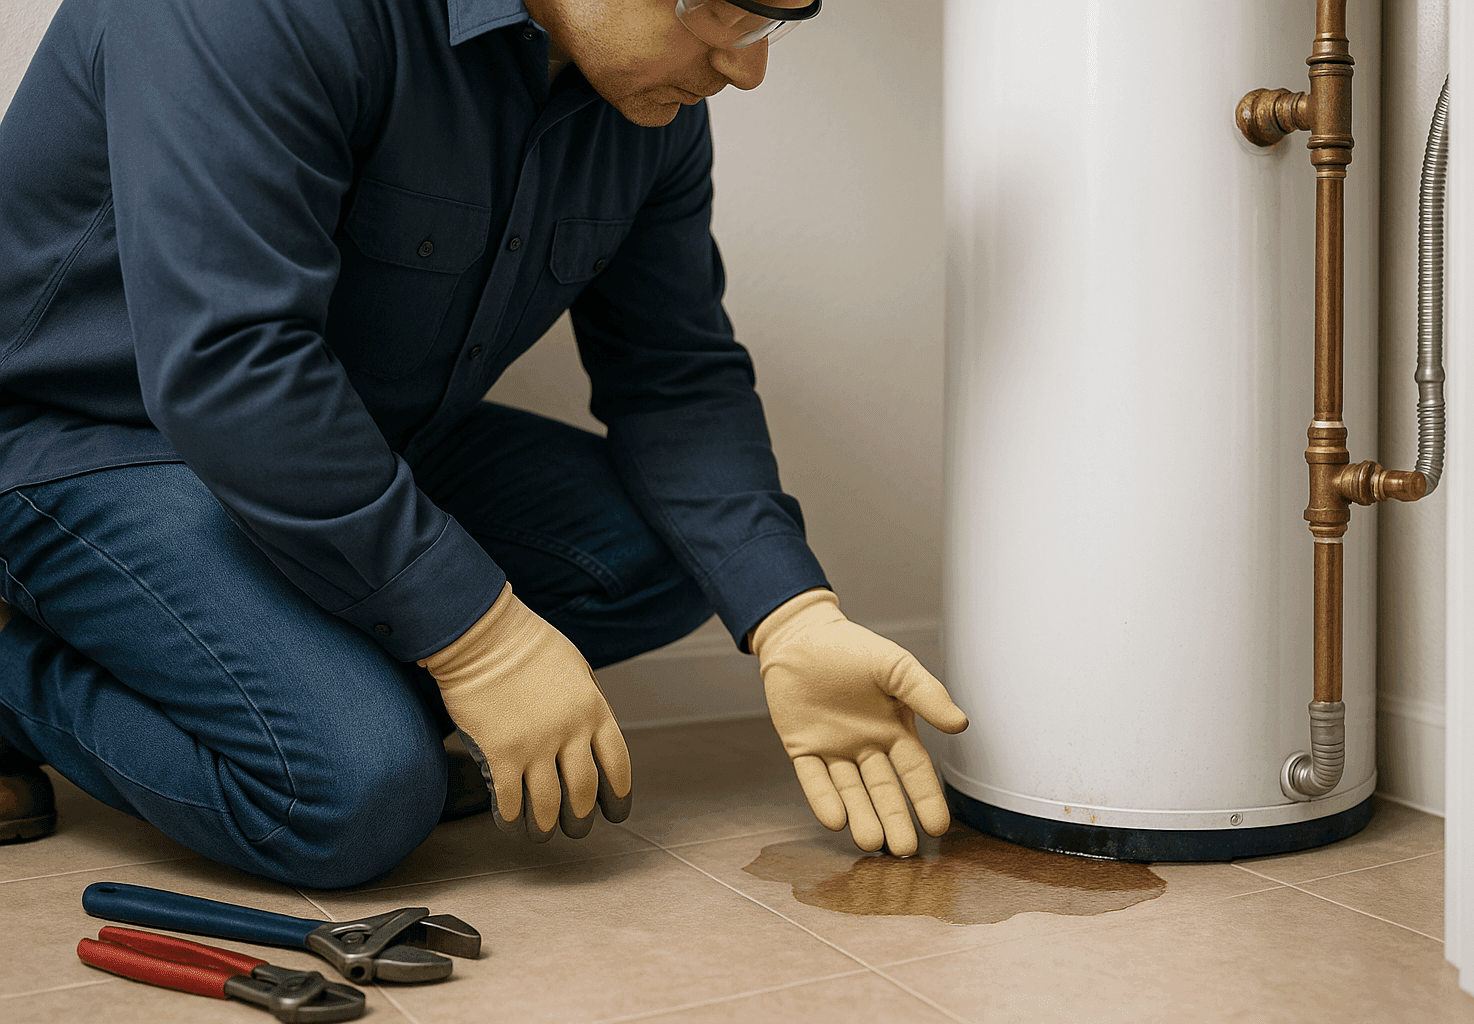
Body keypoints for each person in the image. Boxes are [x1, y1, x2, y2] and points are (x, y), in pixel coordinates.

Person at [0, 0, 968, 887]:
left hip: (348, 442)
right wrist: (479, 640)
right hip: (75, 440)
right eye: (719, 9)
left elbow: (673, 375)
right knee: (350, 796)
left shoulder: (646, 104)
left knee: (674, 555)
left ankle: (323, 679)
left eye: (773, 23)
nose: (746, 68)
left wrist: (792, 616)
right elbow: (233, 360)